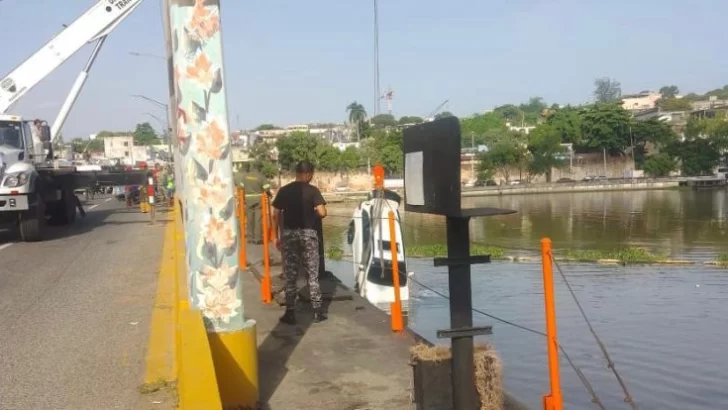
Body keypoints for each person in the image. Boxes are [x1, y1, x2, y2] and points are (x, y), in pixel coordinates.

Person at [271, 160, 328, 324]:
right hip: (308, 235)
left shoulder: (284, 190)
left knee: (291, 275)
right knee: (312, 274)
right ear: (309, 174)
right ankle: (317, 312)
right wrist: (314, 214)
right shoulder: (313, 191)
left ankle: (290, 313)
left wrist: (275, 236)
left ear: (297, 173)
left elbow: (275, 214)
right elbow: (323, 213)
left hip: (289, 235)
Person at [243, 168, 272, 244]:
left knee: (249, 219)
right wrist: (269, 194)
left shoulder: (245, 176)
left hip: (248, 199)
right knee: (258, 219)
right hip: (258, 199)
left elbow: (241, 187)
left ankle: (250, 238)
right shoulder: (261, 176)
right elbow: (266, 188)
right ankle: (257, 238)